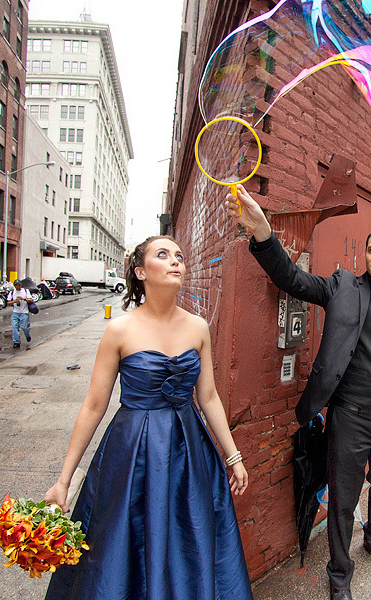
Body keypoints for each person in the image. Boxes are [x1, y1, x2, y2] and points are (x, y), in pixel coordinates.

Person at [225, 185, 371, 600]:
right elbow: (292, 278)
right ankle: (340, 572)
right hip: (349, 416)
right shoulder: (342, 287)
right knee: (343, 499)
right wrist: (262, 232)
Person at [43, 235, 253, 600]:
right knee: (123, 540)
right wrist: (64, 481)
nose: (175, 261)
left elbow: (208, 396)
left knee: (189, 536)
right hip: (132, 453)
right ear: (140, 272)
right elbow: (93, 405)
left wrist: (233, 456)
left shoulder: (198, 327)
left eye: (179, 256)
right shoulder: (119, 330)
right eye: (163, 255)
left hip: (189, 451)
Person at [7, 279, 33, 349]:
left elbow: (31, 300)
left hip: (24, 312)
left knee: (24, 327)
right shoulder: (12, 292)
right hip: (15, 312)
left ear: (21, 285)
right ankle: (16, 342)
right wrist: (14, 301)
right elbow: (8, 303)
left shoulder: (25, 291)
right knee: (14, 327)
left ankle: (27, 335)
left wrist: (23, 299)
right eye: (16, 285)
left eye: (19, 285)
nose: (17, 286)